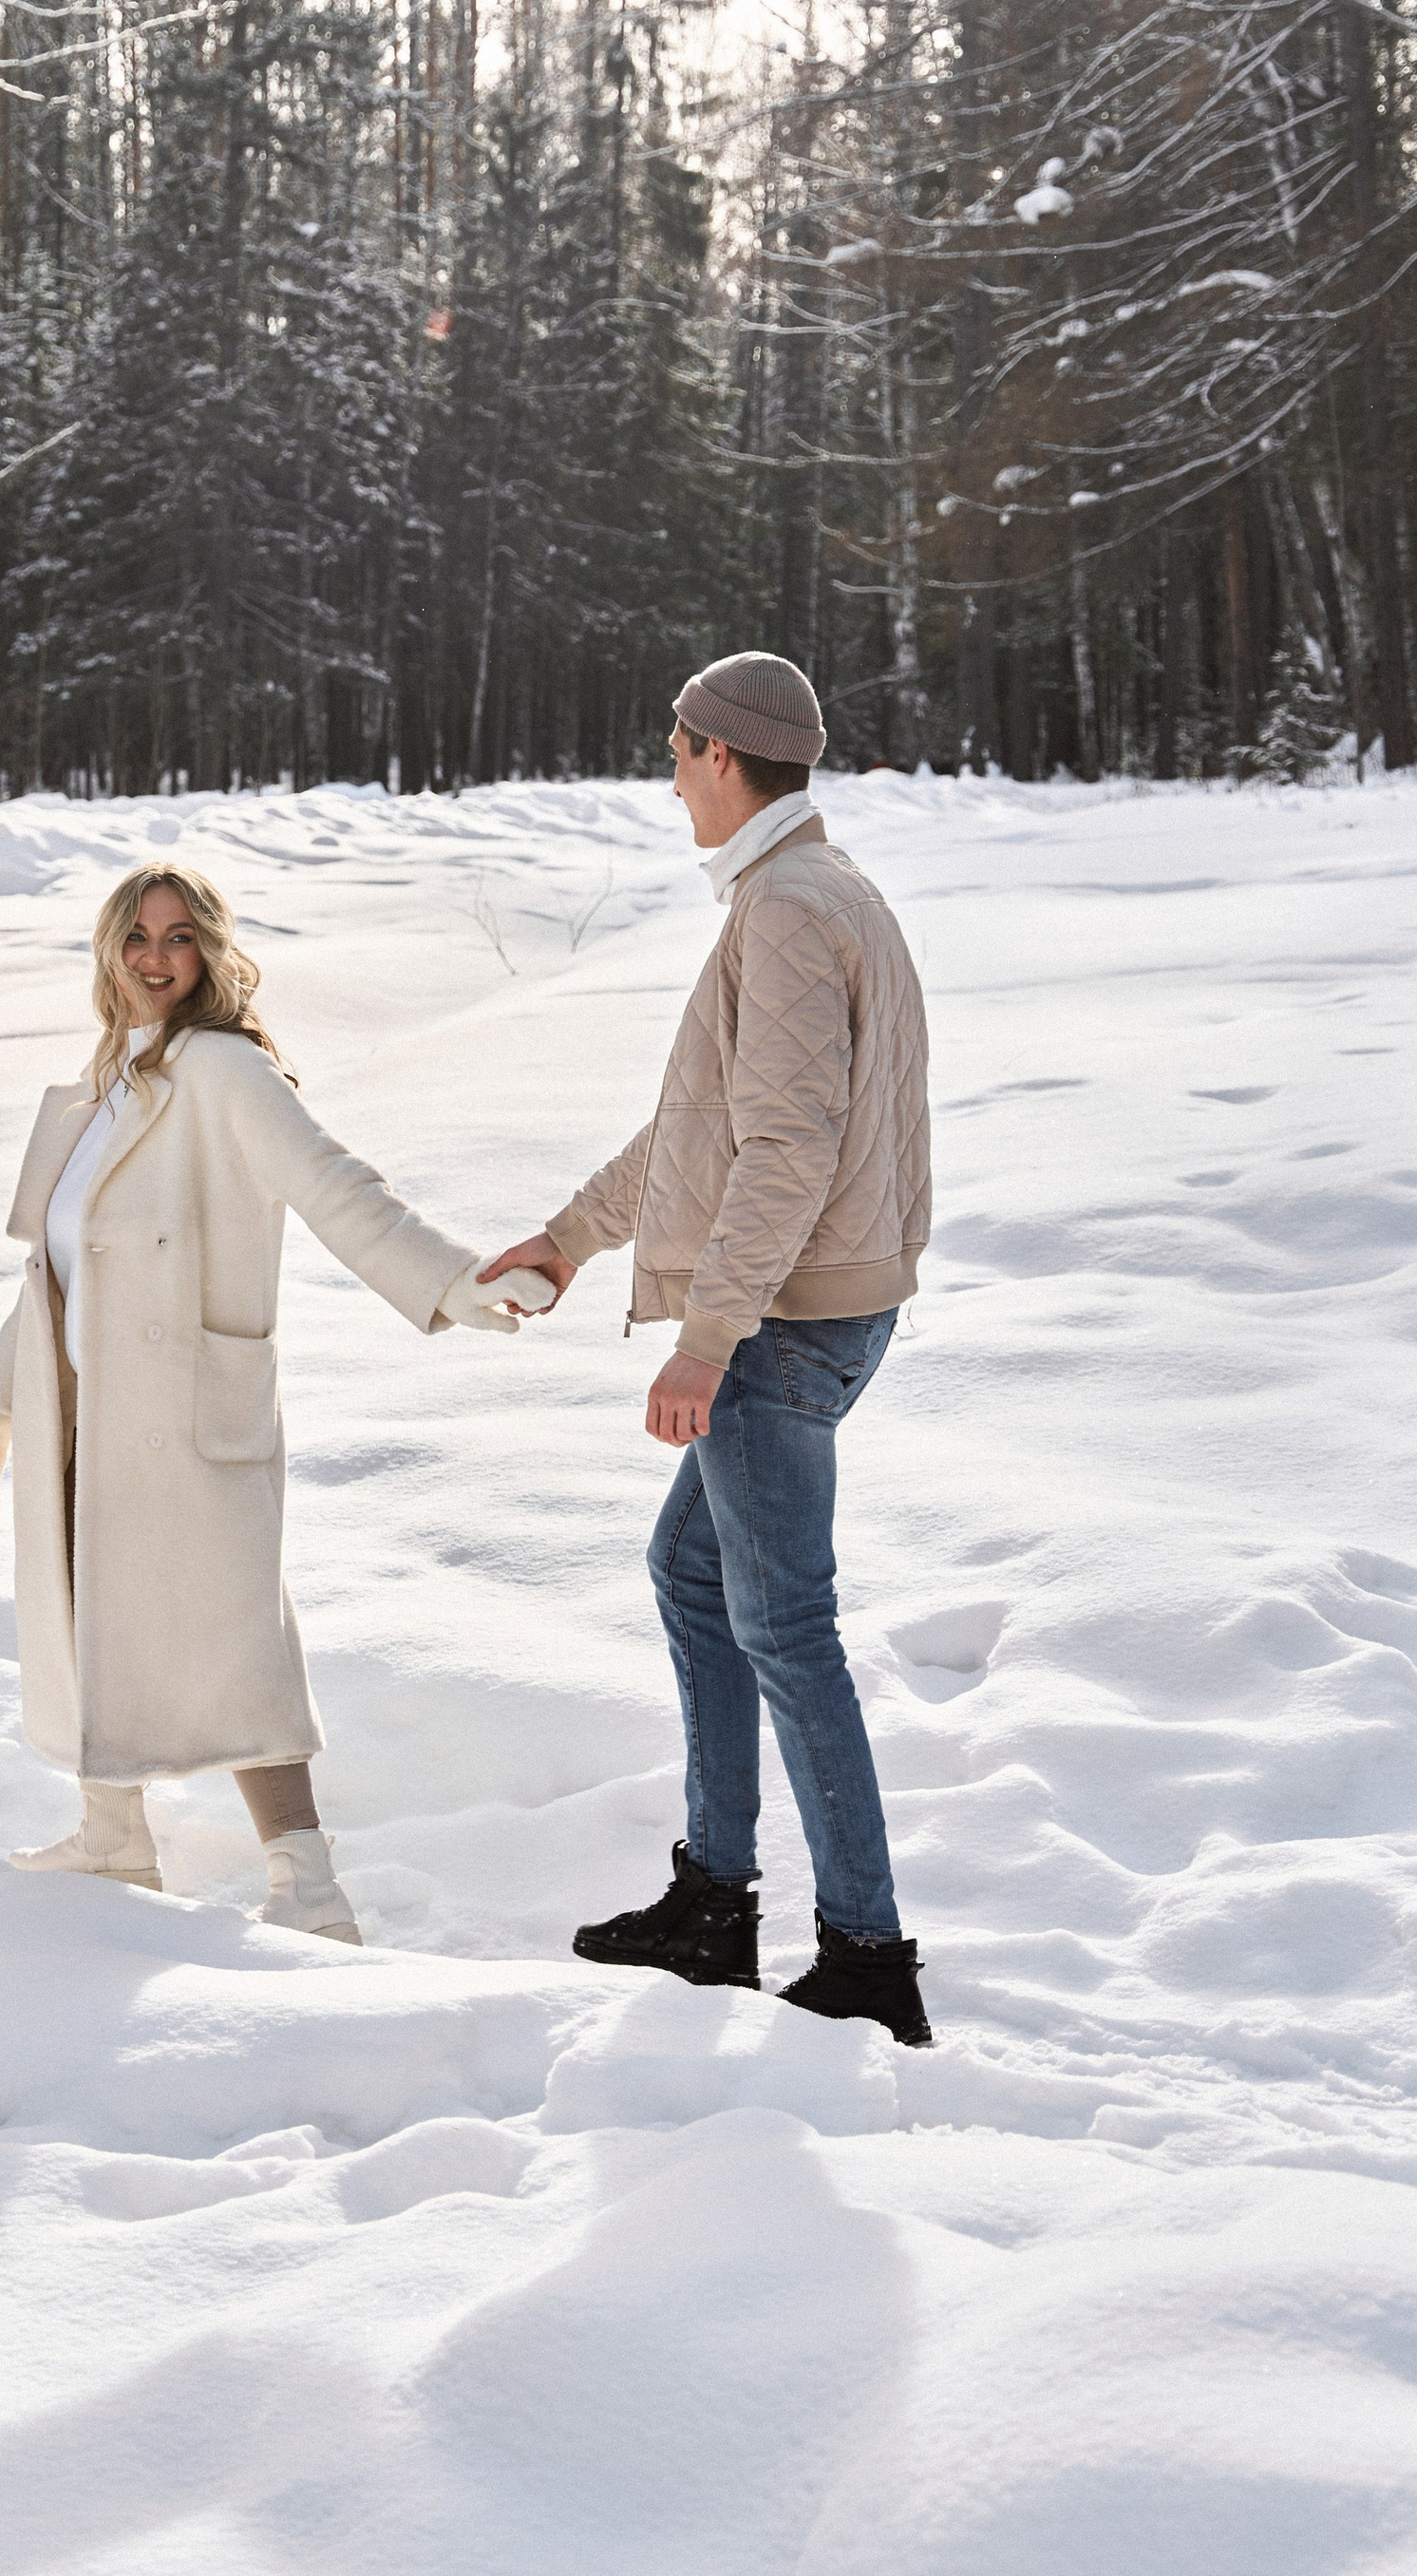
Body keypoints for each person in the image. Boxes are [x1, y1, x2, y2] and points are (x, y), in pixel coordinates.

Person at [481, 651, 935, 2047]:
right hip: (813, 1309)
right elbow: (703, 1139)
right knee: (693, 1571)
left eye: (678, 749)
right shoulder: (805, 893)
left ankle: (862, 1952)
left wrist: (707, 1338)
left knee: (788, 1626)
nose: (669, 772)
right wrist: (568, 1238)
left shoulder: (793, 910)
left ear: (724, 758)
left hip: (786, 1325)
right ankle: (714, 1903)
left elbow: (785, 1153)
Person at [0, 859, 539, 1946]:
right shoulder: (108, 1085)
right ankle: (113, 1835)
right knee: (92, 1616)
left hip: (185, 1409)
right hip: (86, 1407)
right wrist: (1, 1398)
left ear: (212, 953)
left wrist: (448, 1281)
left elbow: (333, 1185)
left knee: (236, 1640)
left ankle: (309, 1885)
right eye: (136, 935)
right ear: (107, 949)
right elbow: (55, 1266)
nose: (155, 957)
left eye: (179, 937)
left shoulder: (224, 1070)